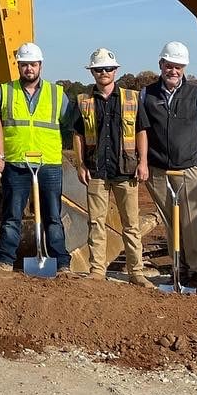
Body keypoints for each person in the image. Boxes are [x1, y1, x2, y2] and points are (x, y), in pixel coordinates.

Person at [135, 40, 197, 291]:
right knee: (170, 221)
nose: (173, 71)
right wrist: (144, 162)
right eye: (169, 66)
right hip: (158, 170)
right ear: (161, 65)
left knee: (191, 222)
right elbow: (142, 130)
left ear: (184, 69)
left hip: (190, 168)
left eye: (178, 67)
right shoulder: (147, 94)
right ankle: (178, 268)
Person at [0, 42, 72, 271]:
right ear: (19, 66)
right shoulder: (4, 91)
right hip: (16, 162)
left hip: (49, 164)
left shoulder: (57, 94)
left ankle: (61, 262)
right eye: (24, 65)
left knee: (53, 215)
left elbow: (69, 126)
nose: (29, 69)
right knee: (12, 214)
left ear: (40, 66)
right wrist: (0, 155)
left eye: (33, 65)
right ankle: (5, 260)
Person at [69, 47, 148, 286]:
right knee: (96, 223)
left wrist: (143, 162)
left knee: (131, 225)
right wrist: (80, 164)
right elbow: (78, 135)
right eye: (99, 69)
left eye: (107, 69)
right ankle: (97, 270)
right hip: (96, 170)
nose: (103, 72)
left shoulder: (132, 98)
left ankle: (137, 272)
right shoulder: (83, 101)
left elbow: (141, 131)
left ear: (115, 71)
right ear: (92, 72)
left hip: (126, 170)